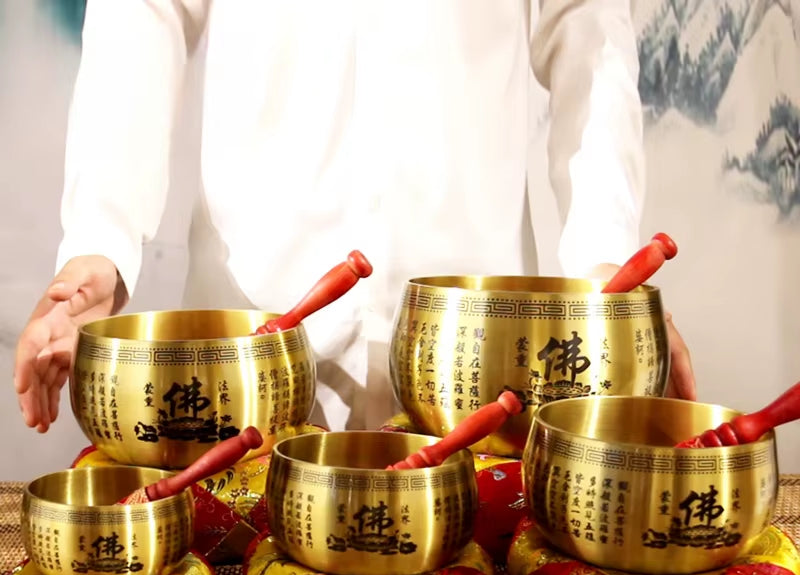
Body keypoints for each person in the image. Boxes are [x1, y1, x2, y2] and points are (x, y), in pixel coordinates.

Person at [14, 0, 695, 437]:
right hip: (252, 352)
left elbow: (587, 23)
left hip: (472, 353)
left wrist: (608, 263)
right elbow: (143, 14)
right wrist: (99, 242)